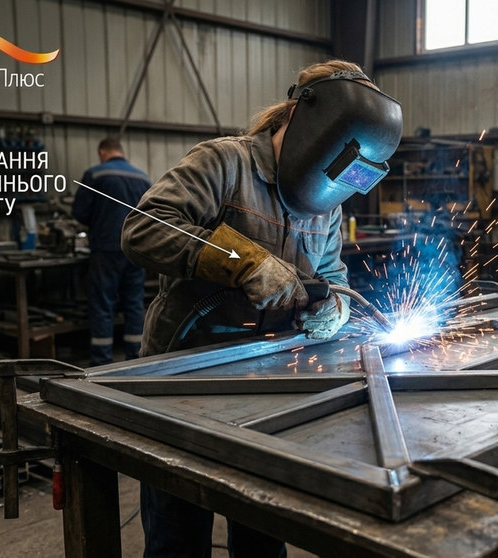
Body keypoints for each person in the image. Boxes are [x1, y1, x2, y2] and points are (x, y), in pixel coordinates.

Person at [121, 60, 401, 557]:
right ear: (302, 118)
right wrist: (241, 261)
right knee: (178, 540)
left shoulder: (329, 203)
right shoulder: (224, 163)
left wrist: (335, 305)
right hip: (184, 382)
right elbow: (143, 228)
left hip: (270, 386)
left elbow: (333, 274)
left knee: (262, 537)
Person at [72, 137, 151, 366]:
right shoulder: (143, 178)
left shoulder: (96, 175)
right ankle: (136, 359)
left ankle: (102, 361)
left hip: (106, 250)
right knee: (134, 303)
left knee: (103, 304)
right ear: (120, 151)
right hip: (135, 250)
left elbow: (80, 213)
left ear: (102, 153)